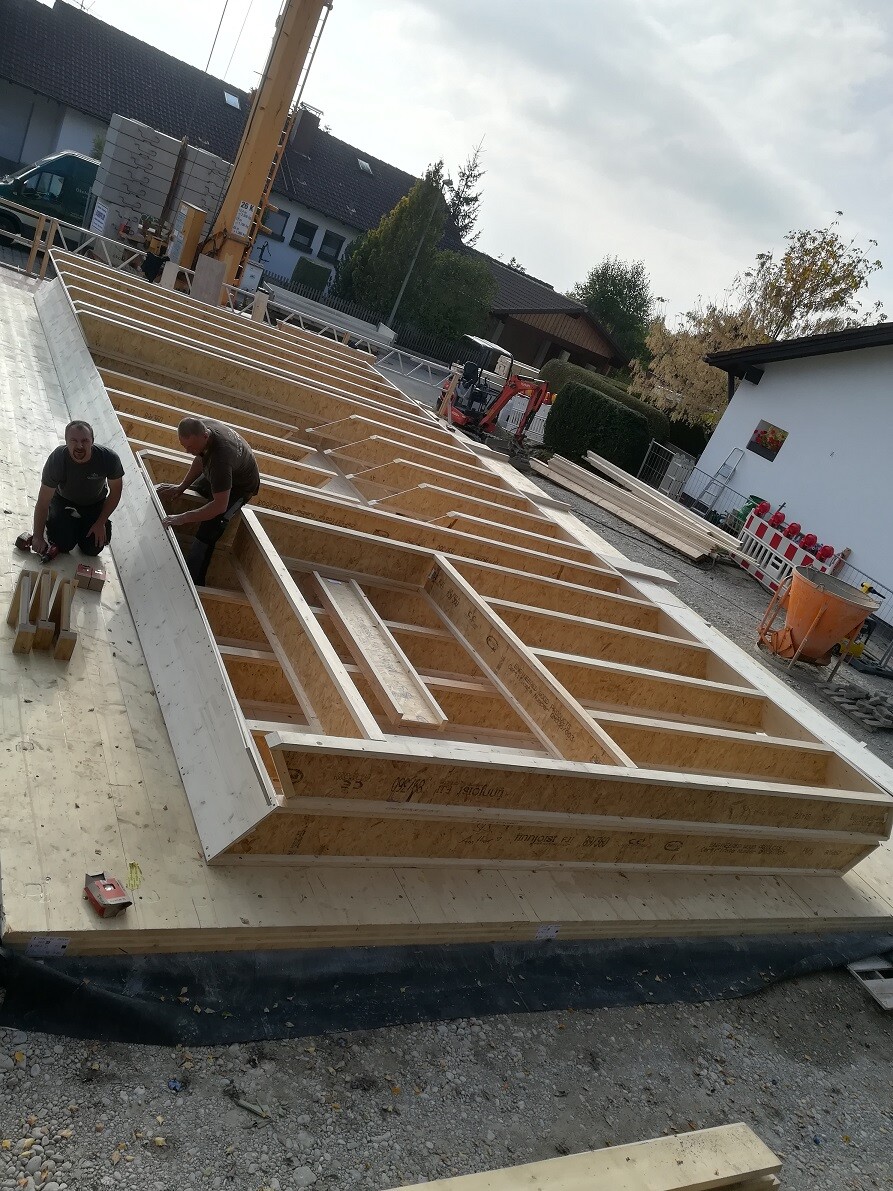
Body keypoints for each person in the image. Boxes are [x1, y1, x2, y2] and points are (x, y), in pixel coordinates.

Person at [156, 416, 260, 586]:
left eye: (190, 447)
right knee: (196, 490)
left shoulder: (221, 459)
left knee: (210, 528)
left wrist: (182, 518)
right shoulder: (204, 429)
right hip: (229, 468)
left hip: (241, 485)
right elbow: (200, 457)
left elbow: (219, 506)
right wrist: (181, 487)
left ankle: (194, 581)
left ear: (205, 436)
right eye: (185, 446)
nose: (187, 451)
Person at [32, 420, 124, 558]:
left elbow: (116, 493)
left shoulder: (108, 458)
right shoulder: (57, 459)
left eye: (85, 441)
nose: (80, 446)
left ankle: (84, 525)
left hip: (94, 504)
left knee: (93, 548)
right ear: (66, 442)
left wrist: (101, 522)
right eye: (74, 440)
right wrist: (37, 536)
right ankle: (58, 520)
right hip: (64, 501)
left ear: (92, 441)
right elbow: (43, 501)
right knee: (62, 544)